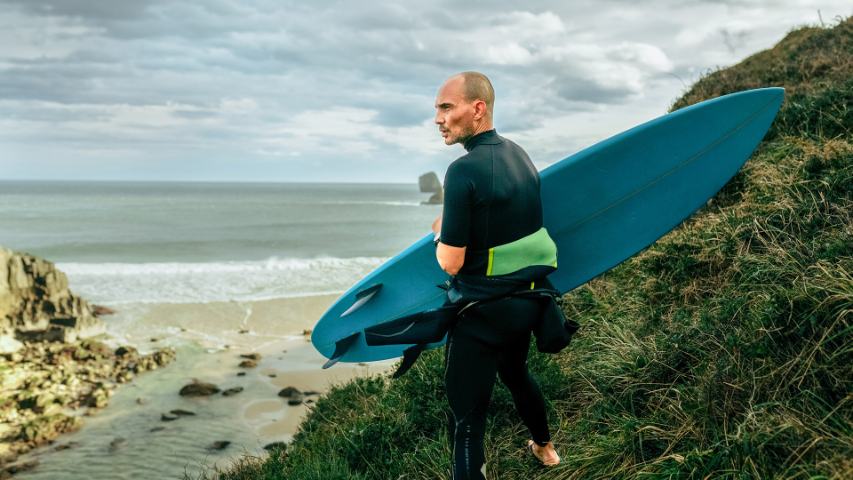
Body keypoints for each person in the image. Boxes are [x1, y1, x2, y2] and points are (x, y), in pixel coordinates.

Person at [431, 71, 561, 479]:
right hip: (527, 303)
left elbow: (451, 263)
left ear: (477, 108)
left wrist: (440, 234)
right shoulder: (519, 154)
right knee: (515, 373)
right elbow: (504, 220)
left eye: (447, 107)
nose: (438, 118)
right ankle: (546, 450)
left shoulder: (463, 170)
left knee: (467, 422)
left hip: (484, 313)